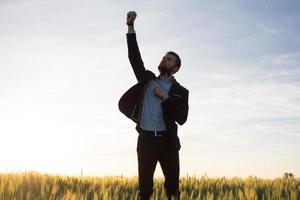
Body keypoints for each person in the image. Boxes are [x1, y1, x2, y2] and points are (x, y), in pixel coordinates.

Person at [118, 11, 189, 200]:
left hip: (168, 142)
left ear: (175, 68)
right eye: (164, 57)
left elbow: (181, 118)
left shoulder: (182, 92)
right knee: (145, 190)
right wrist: (130, 27)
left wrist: (165, 97)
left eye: (169, 59)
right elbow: (134, 58)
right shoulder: (147, 80)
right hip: (146, 140)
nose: (164, 59)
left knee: (173, 189)